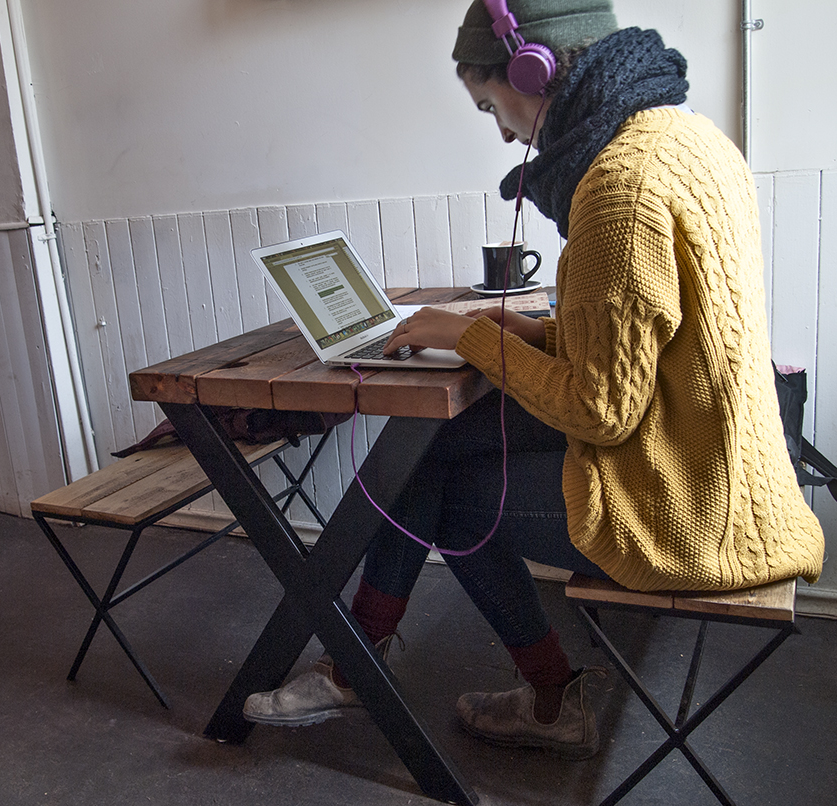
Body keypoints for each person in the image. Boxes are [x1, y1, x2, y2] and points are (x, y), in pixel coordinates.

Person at [243, 0, 825, 759]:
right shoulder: (687, 139)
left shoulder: (621, 187)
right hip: (715, 458)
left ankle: (513, 692)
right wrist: (528, 332)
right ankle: (362, 660)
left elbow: (600, 409)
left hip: (689, 509)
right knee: (431, 445)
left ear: (534, 69)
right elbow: (650, 338)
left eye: (492, 104)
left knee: (446, 499)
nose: (503, 131)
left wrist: (476, 334)